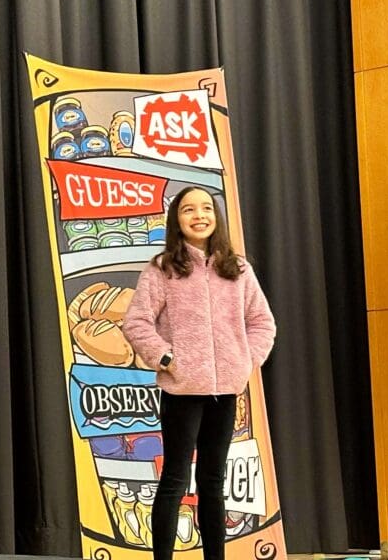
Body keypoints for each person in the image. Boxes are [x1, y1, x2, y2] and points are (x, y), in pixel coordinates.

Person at [121, 186, 276, 560]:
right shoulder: (162, 269)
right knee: (175, 479)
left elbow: (262, 322)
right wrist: (166, 358)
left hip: (226, 391)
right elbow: (137, 322)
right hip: (181, 391)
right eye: (189, 209)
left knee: (213, 482)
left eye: (206, 208)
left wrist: (244, 360)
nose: (199, 215)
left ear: (216, 217)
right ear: (177, 219)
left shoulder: (238, 269)